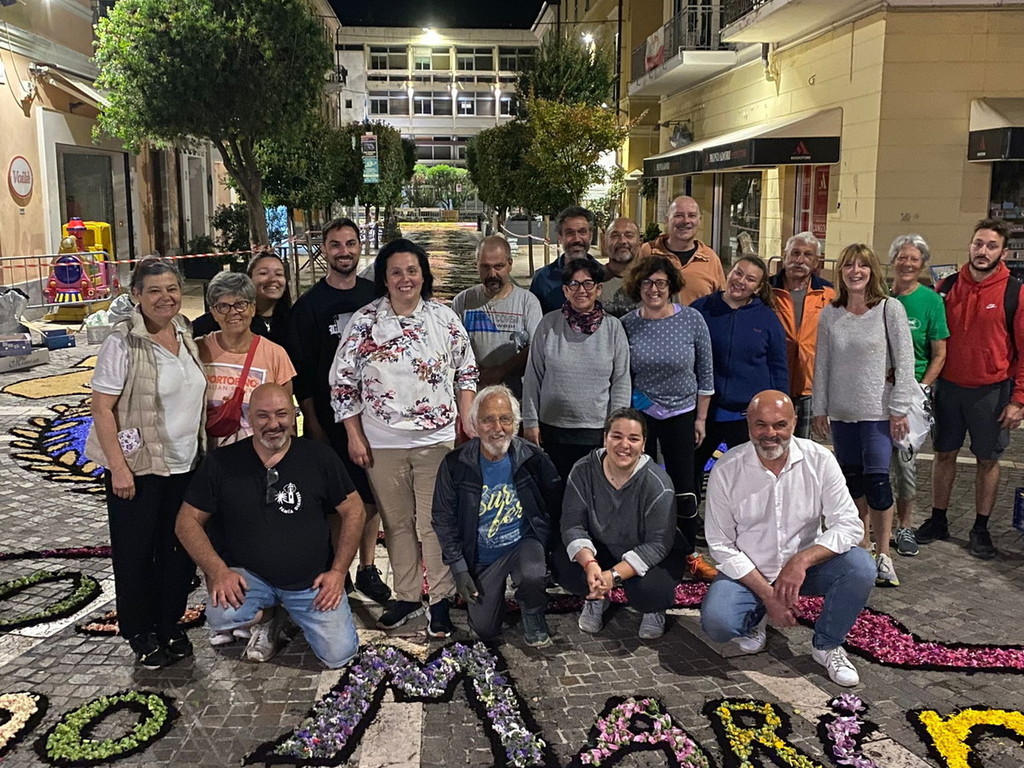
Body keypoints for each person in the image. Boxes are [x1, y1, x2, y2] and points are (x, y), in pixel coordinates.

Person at [331, 238, 478, 636]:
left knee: (434, 524)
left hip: (436, 442)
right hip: (383, 443)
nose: (404, 278)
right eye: (395, 271)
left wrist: (465, 419)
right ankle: (408, 595)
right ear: (384, 278)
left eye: (412, 270)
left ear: (423, 275)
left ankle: (441, 599)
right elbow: (342, 383)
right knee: (397, 524)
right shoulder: (364, 322)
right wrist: (354, 435)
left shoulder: (444, 318)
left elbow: (467, 370)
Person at [175, 384, 365, 668]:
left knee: (339, 655)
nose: (273, 424)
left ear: (294, 415)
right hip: (249, 579)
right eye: (263, 415)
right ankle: (269, 614)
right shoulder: (222, 462)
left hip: (310, 582)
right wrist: (218, 571)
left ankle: (290, 614)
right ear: (249, 418)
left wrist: (338, 572)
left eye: (281, 414)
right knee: (221, 617)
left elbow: (354, 510)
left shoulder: (319, 456)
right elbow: (186, 522)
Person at [701, 391, 875, 687]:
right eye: (761, 424)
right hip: (752, 572)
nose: (770, 433)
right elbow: (720, 544)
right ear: (748, 424)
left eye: (780, 424)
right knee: (718, 623)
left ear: (794, 422)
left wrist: (801, 561)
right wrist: (768, 596)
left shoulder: (820, 460)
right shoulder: (727, 469)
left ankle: (827, 645)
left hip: (805, 573)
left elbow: (849, 524)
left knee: (861, 566)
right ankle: (755, 616)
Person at [86, 256, 207, 669]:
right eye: (154, 290)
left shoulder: (184, 331)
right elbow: (102, 408)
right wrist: (119, 468)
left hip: (184, 465)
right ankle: (140, 631)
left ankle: (169, 623)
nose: (165, 297)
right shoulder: (122, 341)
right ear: (136, 294)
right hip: (138, 470)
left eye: (171, 288)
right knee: (136, 553)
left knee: (177, 550)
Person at [288, 218, 390, 605]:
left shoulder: (376, 296)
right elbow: (303, 376)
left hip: (375, 417)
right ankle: (339, 569)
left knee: (372, 495)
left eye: (350, 243)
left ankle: (368, 568)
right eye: (336, 245)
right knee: (337, 500)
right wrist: (313, 423)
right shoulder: (309, 307)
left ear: (360, 246)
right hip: (329, 422)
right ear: (324, 250)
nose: (344, 251)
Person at [812, 244, 917, 589]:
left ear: (872, 271)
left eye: (862, 266)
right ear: (840, 271)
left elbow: (905, 361)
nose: (855, 271)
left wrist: (899, 407)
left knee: (877, 483)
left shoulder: (889, 309)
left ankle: (884, 553)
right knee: (852, 482)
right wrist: (820, 408)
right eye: (848, 265)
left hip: (877, 413)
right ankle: (862, 547)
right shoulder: (831, 313)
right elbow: (822, 364)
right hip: (843, 413)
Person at [919, 219, 1024, 559]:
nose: (983, 251)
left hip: (992, 392)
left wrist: (1019, 400)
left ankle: (980, 528)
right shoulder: (946, 287)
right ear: (970, 245)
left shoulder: (1015, 293)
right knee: (943, 454)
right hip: (949, 389)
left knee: (987, 460)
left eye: (991, 246)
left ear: (1003, 252)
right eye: (978, 243)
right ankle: (938, 519)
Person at [431, 385, 562, 646]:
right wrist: (459, 568)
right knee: (485, 630)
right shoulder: (455, 464)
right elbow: (443, 518)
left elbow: (555, 501)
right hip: (482, 555)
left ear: (515, 424)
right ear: (474, 425)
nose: (497, 428)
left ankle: (533, 612)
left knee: (532, 574)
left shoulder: (533, 458)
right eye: (488, 420)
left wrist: (549, 546)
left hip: (522, 544)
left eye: (505, 419)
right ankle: (494, 601)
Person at [619, 255, 716, 581]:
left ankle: (688, 553)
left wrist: (701, 418)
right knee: (640, 484)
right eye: (647, 282)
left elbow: (705, 372)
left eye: (660, 282)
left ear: (671, 285)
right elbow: (622, 373)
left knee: (684, 488)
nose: (654, 289)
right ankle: (641, 550)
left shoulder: (692, 320)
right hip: (641, 414)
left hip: (682, 413)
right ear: (638, 286)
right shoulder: (627, 324)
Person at [556, 408, 687, 640]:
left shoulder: (658, 483)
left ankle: (653, 608)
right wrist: (591, 565)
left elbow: (658, 544)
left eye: (633, 438)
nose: (624, 445)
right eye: (616, 436)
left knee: (649, 591)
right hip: (602, 547)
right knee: (563, 565)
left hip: (651, 551)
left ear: (643, 444)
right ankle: (597, 597)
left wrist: (614, 576)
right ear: (604, 438)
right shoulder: (582, 470)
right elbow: (572, 524)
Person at [522, 258, 631, 487]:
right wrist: (530, 422)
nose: (581, 290)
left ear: (598, 289)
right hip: (553, 431)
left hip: (596, 432)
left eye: (588, 283)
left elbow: (621, 382)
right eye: (574, 284)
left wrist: (617, 428)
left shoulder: (613, 328)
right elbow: (533, 376)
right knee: (555, 495)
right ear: (565, 290)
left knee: (593, 494)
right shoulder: (548, 324)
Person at [692, 256, 788, 502]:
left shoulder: (767, 319)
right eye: (738, 273)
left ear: (758, 287)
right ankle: (689, 523)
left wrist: (781, 411)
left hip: (746, 416)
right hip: (704, 412)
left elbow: (778, 367)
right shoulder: (701, 309)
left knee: (751, 479)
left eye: (750, 279)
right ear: (729, 272)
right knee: (690, 472)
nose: (741, 281)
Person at [887, 235, 948, 557]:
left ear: (922, 264)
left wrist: (922, 388)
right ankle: (873, 526)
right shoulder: (880, 296)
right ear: (893, 260)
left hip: (911, 394)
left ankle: (905, 526)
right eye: (902, 257)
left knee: (905, 465)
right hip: (878, 393)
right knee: (875, 463)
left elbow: (939, 353)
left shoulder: (931, 302)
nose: (907, 264)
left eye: (914, 259)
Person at [197, 272, 295, 448]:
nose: (233, 312)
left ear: (253, 308)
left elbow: (286, 417)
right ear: (213, 313)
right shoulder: (198, 350)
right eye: (223, 306)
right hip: (209, 456)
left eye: (241, 304)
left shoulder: (275, 354)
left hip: (259, 455)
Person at [451, 236, 542, 397]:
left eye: (498, 266)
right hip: (474, 393)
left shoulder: (528, 302)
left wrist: (502, 370)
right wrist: (477, 371)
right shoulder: (463, 301)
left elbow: (537, 348)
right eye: (485, 267)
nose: (492, 274)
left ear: (510, 264)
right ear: (476, 265)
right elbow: (454, 346)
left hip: (515, 395)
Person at [769, 232, 836, 438]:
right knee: (772, 441)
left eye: (808, 255)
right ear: (785, 256)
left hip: (810, 385)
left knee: (804, 446)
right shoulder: (766, 290)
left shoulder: (829, 294)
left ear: (816, 262)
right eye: (795, 253)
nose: (800, 260)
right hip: (774, 382)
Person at [192, 250, 292, 347]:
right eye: (263, 273)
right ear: (249, 279)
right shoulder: (226, 316)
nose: (273, 279)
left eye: (279, 274)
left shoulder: (293, 320)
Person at [638, 196, 725, 306]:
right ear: (666, 220)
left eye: (692, 216)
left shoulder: (711, 258)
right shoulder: (648, 252)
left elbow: (723, 302)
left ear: (699, 221)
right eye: (679, 215)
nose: (686, 221)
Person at [529, 206, 600, 313]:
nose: (577, 239)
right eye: (570, 233)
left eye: (582, 232)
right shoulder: (542, 279)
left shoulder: (603, 276)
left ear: (590, 235)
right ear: (560, 237)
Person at [600, 217, 642, 318]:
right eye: (615, 236)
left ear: (640, 243)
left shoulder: (654, 281)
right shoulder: (592, 280)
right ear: (604, 244)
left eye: (629, 235)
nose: (622, 241)